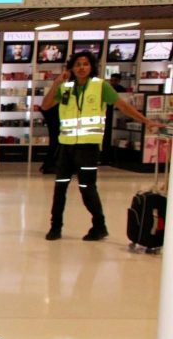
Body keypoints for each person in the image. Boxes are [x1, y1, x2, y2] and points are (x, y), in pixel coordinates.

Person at [41, 50, 162, 241]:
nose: (81, 68)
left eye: (85, 64)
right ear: (71, 68)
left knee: (87, 187)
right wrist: (57, 82)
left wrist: (146, 121)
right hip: (66, 146)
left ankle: (99, 226)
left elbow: (123, 105)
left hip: (88, 147)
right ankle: (55, 227)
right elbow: (46, 105)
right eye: (78, 64)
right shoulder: (65, 88)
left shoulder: (100, 86)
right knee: (60, 187)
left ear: (92, 67)